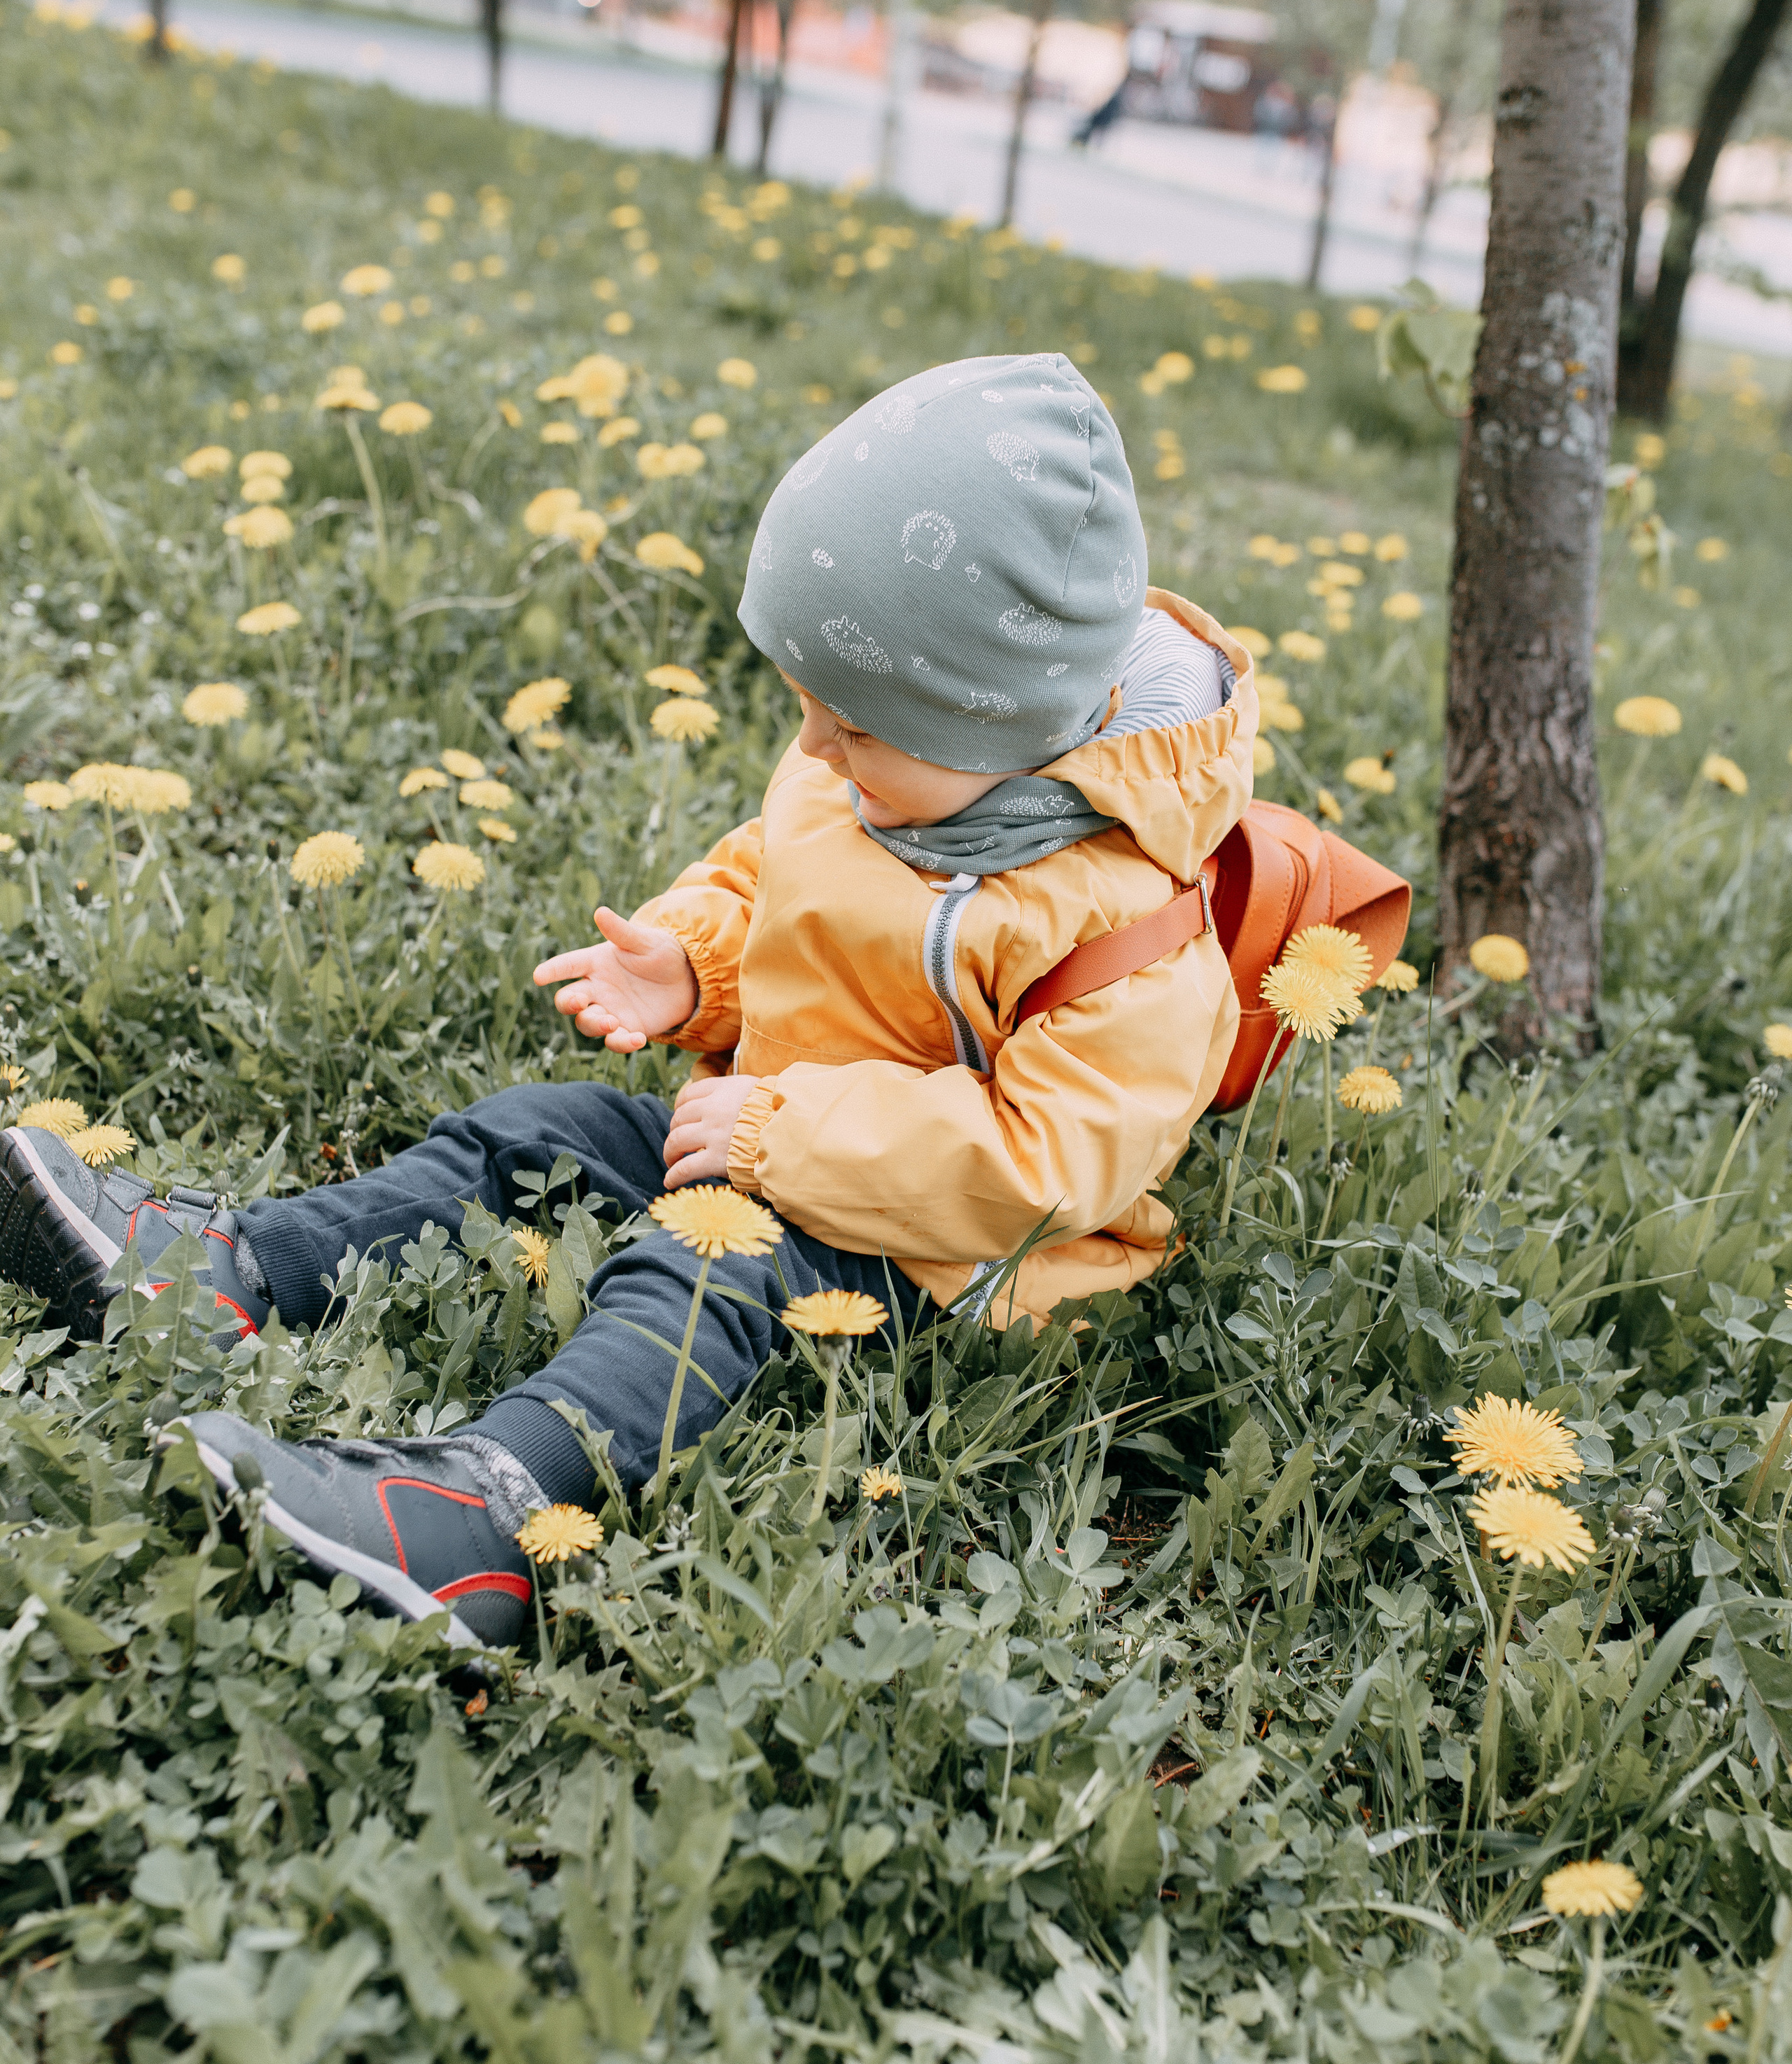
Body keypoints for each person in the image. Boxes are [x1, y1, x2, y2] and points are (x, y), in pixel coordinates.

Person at [0, 354, 1258, 1650]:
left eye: (854, 727)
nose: (817, 748)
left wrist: (784, 1141)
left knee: (702, 1270)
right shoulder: (897, 757)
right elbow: (773, 873)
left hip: (954, 1262)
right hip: (759, 1137)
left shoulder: (1131, 924)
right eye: (806, 709)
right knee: (540, 1130)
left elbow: (1052, 1167)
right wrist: (699, 964)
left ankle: (485, 1518)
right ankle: (229, 1271)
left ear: (1006, 727)